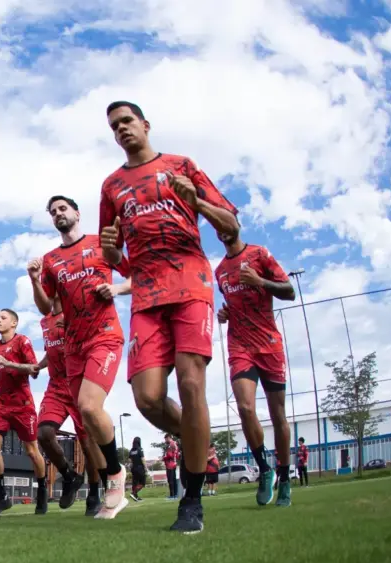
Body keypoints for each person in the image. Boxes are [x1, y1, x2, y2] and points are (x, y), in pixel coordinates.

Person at [99, 100, 241, 534]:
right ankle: (200, 440)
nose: (122, 129)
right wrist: (109, 252)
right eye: (114, 126)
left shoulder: (181, 165)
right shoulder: (111, 187)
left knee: (191, 382)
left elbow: (231, 226)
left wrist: (194, 198)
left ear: (145, 124)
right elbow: (116, 260)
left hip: (191, 286)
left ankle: (192, 502)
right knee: (147, 398)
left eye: (127, 121)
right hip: (145, 296)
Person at [28, 194, 133, 521]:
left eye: (63, 208)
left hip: (104, 335)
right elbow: (47, 308)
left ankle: (115, 475)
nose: (58, 213)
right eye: (53, 211)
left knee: (88, 405)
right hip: (73, 346)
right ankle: (104, 484)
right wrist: (34, 280)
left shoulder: (100, 244)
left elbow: (136, 276)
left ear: (76, 212)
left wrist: (115, 290)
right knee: (87, 417)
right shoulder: (50, 261)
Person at [215, 230, 296, 508]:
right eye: (215, 223)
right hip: (240, 346)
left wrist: (260, 281)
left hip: (269, 346)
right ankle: (265, 469)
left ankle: (284, 478)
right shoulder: (220, 271)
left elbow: (289, 292)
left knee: (278, 415)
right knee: (246, 408)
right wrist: (224, 315)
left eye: (225, 220)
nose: (221, 227)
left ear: (235, 224)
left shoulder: (260, 254)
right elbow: (232, 306)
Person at [0, 309, 47, 515]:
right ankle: (2, 497)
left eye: (3, 318)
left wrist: (8, 363)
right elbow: (3, 373)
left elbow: (33, 369)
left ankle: (43, 492)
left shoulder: (22, 342)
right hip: (1, 404)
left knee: (31, 451)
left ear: (14, 323)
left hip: (23, 404)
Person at [32, 299, 88, 510]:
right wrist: (39, 365)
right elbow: (52, 351)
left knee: (87, 442)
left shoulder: (77, 312)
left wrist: (73, 329)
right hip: (55, 386)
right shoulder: (45, 322)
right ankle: (68, 474)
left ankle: (95, 493)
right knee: (44, 433)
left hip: (79, 382)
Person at [128, 436, 146, 501]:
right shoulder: (140, 449)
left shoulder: (131, 450)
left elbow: (129, 460)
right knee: (142, 483)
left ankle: (135, 497)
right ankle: (134, 493)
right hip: (140, 468)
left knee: (135, 483)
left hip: (133, 468)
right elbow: (142, 459)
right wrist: (146, 468)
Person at [162, 434, 180, 499]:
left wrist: (165, 457)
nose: (165, 440)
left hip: (171, 464)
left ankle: (173, 495)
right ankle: (173, 495)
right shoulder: (170, 445)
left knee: (171, 480)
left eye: (166, 439)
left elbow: (174, 454)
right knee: (171, 480)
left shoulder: (172, 444)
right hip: (169, 464)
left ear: (169, 438)